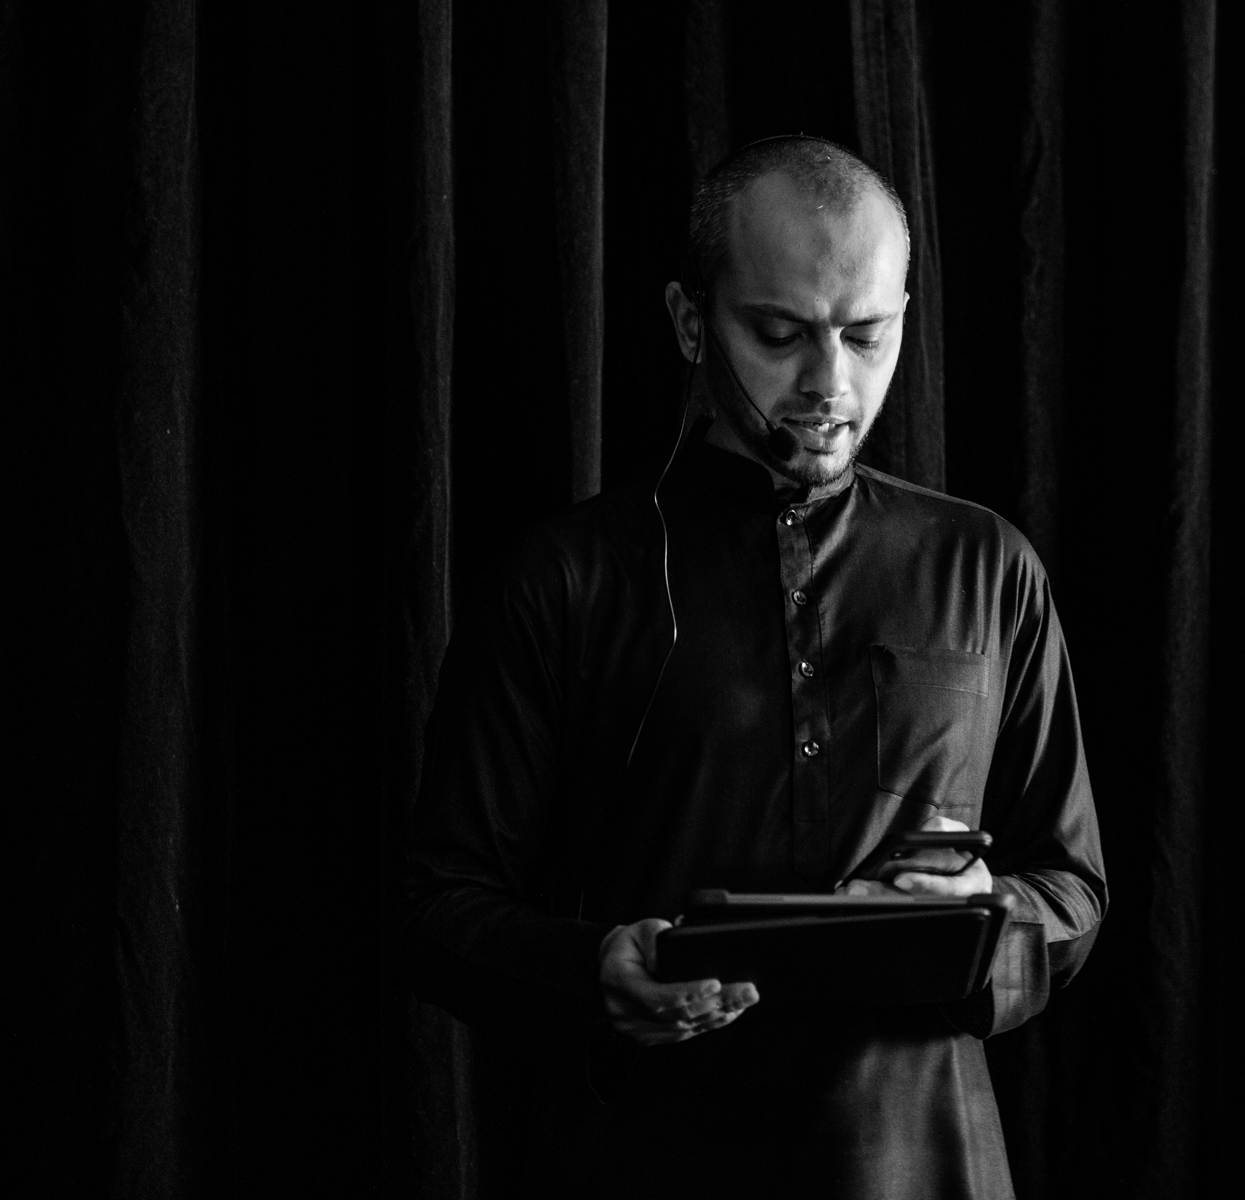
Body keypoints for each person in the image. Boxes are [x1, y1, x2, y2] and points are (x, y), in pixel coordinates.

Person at [402, 135, 1105, 1199]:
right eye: (780, 335)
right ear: (691, 321)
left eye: (867, 336)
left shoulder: (988, 566)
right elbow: (439, 905)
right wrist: (593, 971)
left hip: (929, 1166)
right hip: (650, 1167)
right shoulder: (563, 581)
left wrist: (987, 913)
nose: (831, 382)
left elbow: (1073, 884)